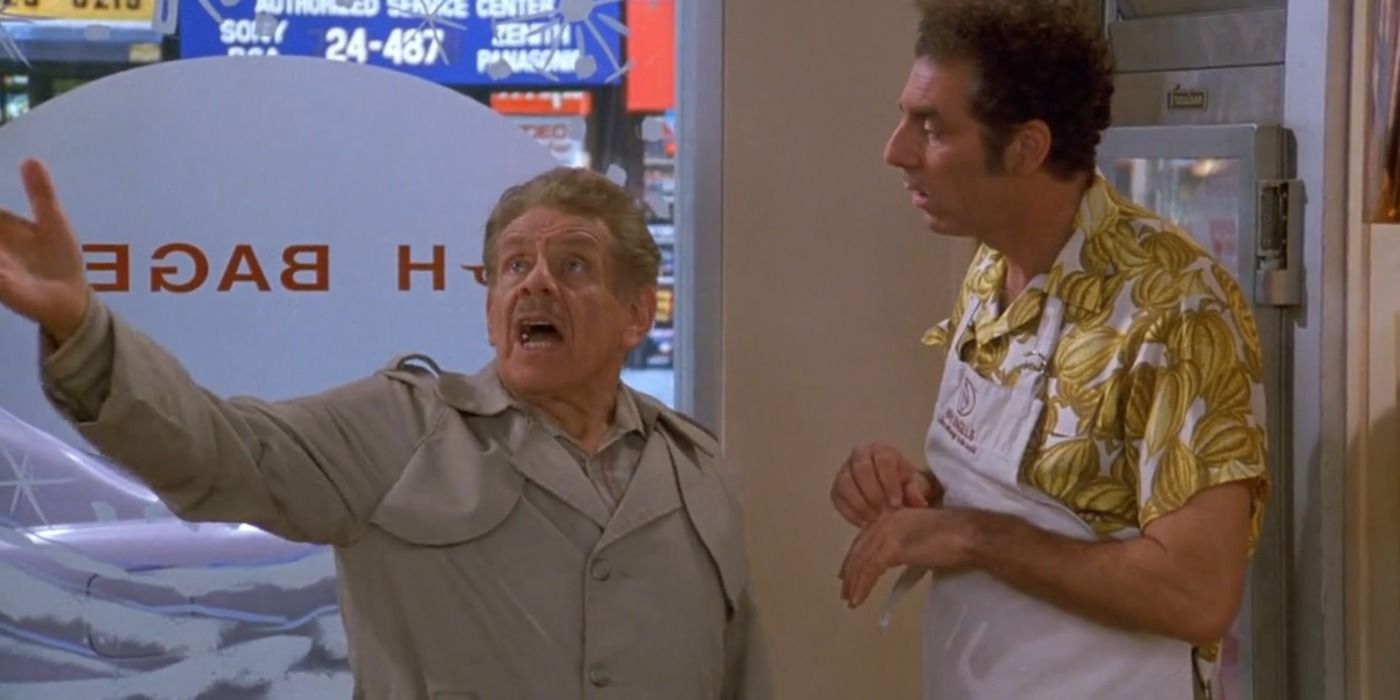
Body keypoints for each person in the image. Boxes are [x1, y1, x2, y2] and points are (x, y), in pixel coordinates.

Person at [0, 160, 770, 699]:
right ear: (490, 308)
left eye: (572, 266)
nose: (535, 282)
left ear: (636, 314)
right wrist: (83, 330)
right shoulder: (401, 429)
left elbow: (739, 675)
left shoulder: (697, 471)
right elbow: (216, 448)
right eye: (514, 266)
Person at [829, 1, 1269, 698]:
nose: (896, 150)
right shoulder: (989, 269)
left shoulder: (1177, 308)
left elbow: (1196, 596)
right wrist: (919, 495)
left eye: (932, 127)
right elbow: (1038, 492)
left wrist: (972, 536)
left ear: (1027, 148)